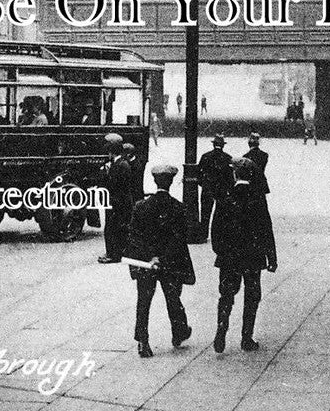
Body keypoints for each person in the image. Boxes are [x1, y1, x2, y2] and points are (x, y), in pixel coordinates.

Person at [124, 164, 195, 357]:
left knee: (144, 301)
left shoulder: (141, 206)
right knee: (173, 298)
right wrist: (163, 258)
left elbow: (134, 236)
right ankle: (179, 332)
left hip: (147, 263)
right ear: (171, 182)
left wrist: (151, 257)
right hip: (169, 263)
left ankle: (143, 341)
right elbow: (179, 238)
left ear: (155, 182)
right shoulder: (178, 207)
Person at [211, 158, 277, 352]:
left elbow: (215, 232)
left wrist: (221, 252)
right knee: (252, 295)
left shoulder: (225, 199)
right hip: (253, 257)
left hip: (229, 257)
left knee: (226, 295)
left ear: (235, 174)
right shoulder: (258, 199)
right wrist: (271, 258)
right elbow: (267, 230)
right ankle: (246, 338)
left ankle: (221, 332)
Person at [99, 134, 133, 264]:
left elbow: (117, 186)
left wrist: (107, 173)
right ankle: (112, 252)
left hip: (118, 203)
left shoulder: (122, 165)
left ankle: (114, 255)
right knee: (112, 227)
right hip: (116, 202)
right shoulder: (118, 163)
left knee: (114, 228)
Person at [197, 134, 234, 239]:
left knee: (205, 213)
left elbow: (199, 173)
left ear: (213, 145)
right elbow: (230, 177)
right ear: (223, 145)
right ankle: (218, 235)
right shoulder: (228, 158)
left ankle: (204, 234)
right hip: (221, 189)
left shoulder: (205, 156)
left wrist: (204, 184)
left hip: (207, 188)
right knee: (220, 214)